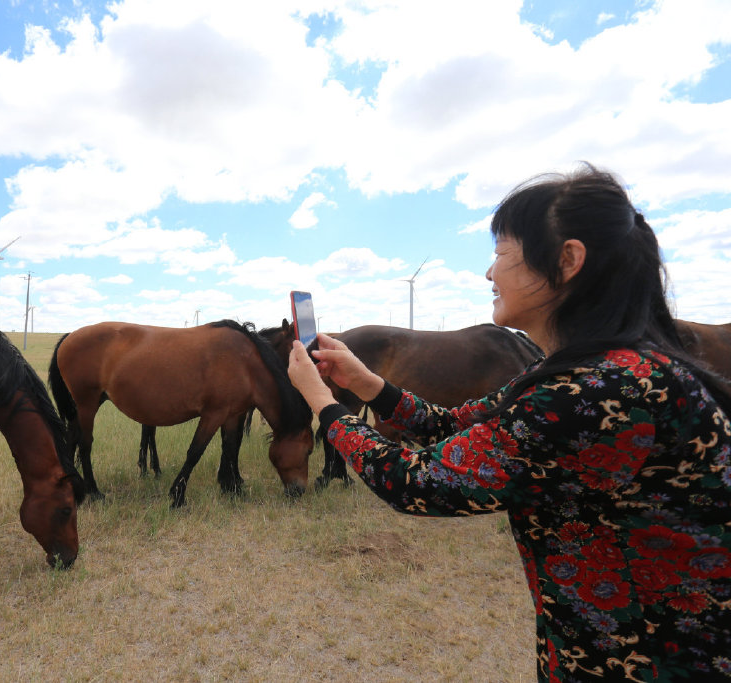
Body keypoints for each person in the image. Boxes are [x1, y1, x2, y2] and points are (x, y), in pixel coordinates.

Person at [288, 165, 731, 681]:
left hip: (648, 662)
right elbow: (451, 425)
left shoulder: (597, 393)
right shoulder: (588, 372)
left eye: (501, 254)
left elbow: (415, 483)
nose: (489, 273)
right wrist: (366, 384)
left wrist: (323, 401)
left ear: (567, 261)